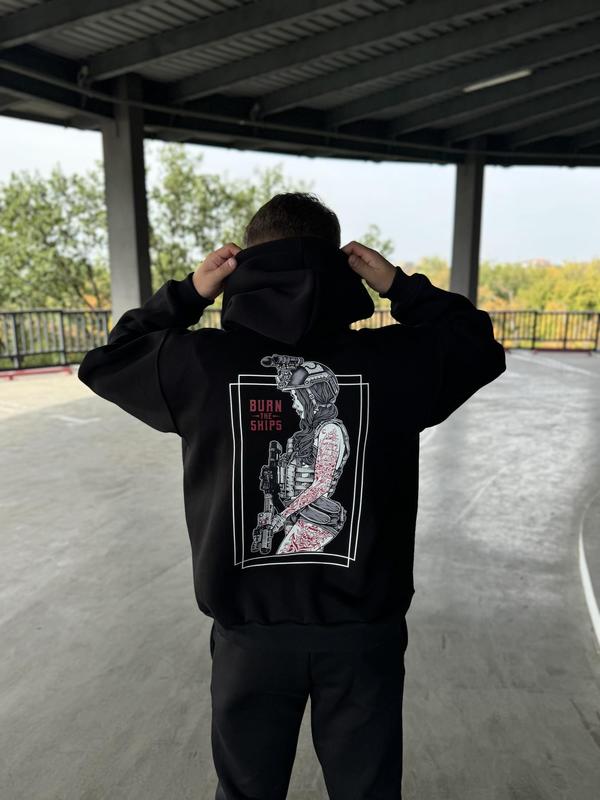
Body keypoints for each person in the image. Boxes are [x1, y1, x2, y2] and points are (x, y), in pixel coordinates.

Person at [78, 192, 506, 799]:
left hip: (249, 635)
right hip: (363, 634)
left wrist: (189, 294)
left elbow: (106, 360)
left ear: (245, 264)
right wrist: (400, 287)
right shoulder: (397, 360)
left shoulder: (198, 363)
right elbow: (477, 343)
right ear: (342, 266)